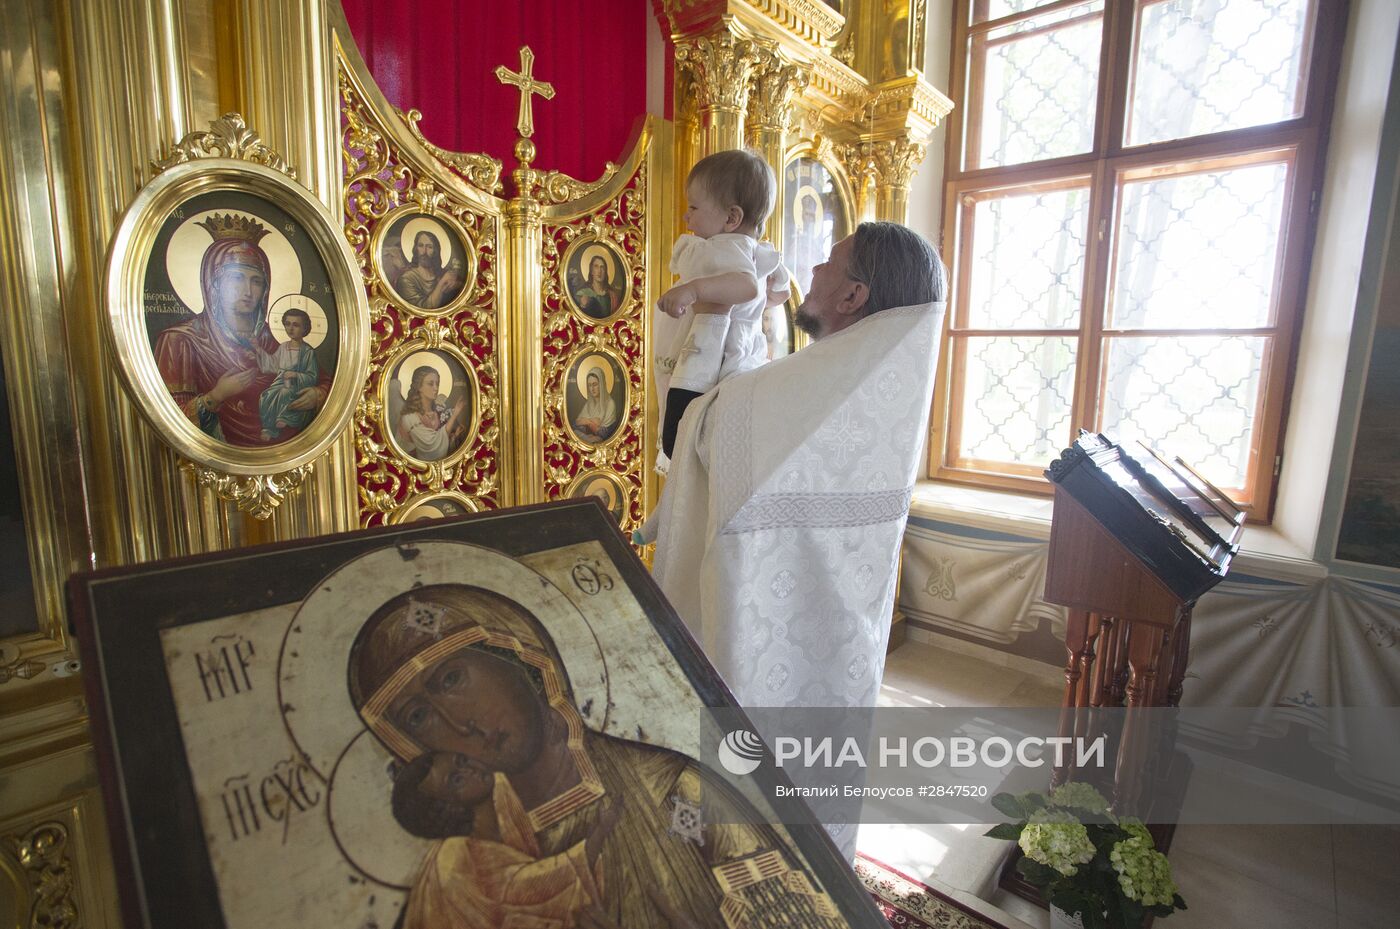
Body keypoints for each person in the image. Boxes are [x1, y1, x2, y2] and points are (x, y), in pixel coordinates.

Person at [347, 585, 846, 928]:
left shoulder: (673, 793)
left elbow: (795, 912)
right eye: (418, 716)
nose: (460, 726)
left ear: (519, 654)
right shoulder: (458, 877)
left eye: (451, 679)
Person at [649, 222, 947, 711]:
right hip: (843, 652)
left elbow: (687, 430)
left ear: (852, 295)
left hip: (760, 655)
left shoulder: (796, 393)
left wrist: (711, 316)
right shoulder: (880, 396)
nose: (814, 267)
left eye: (829, 261)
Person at [652, 149, 792, 476]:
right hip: (738, 347)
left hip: (715, 355)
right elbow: (776, 294)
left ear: (731, 218)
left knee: (687, 424)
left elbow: (747, 288)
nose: (687, 217)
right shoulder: (754, 251)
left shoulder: (726, 247)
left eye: (694, 207)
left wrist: (694, 290)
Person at [390, 749, 620, 928]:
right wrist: (600, 832)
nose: (469, 769)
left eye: (461, 760)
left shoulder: (502, 793)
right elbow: (528, 888)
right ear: (447, 808)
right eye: (457, 780)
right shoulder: (453, 856)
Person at [154, 213, 329, 446]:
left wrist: (317, 395)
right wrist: (216, 396)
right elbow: (165, 421)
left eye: (256, 281)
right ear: (214, 283)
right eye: (236, 278)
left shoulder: (278, 338)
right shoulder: (180, 340)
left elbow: (324, 380)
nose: (247, 291)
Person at [254, 307, 320, 442]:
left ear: (304, 328)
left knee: (285, 393)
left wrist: (295, 375)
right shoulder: (283, 347)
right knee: (265, 396)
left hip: (296, 385)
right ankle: (268, 427)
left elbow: (312, 376)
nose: (291, 328)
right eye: (288, 324)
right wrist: (257, 349)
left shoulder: (307, 351)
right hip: (279, 381)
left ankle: (284, 418)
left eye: (296, 325)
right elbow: (272, 364)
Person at [398, 365, 467, 461]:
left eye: (437, 384)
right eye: (430, 384)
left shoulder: (440, 412)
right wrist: (454, 415)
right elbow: (432, 445)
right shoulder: (409, 418)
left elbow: (445, 450)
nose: (436, 388)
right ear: (419, 387)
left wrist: (454, 438)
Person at [397, 229, 464, 309]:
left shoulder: (443, 273)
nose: (424, 252)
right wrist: (442, 282)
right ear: (416, 249)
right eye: (421, 245)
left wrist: (456, 284)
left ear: (436, 251)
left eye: (429, 247)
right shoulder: (406, 279)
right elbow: (426, 308)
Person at [572, 367, 617, 443]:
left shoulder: (610, 404)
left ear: (602, 384)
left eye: (595, 384)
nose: (592, 389)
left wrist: (586, 422)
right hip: (588, 439)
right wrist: (590, 422)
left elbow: (606, 433)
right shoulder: (589, 404)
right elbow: (576, 424)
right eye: (589, 385)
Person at [573, 254, 625, 318]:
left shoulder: (613, 296)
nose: (599, 271)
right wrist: (583, 305)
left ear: (605, 272)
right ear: (591, 271)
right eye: (596, 266)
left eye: (602, 267)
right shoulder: (582, 293)